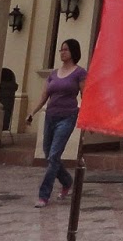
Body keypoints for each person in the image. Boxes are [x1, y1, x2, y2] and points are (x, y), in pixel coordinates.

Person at [24, 39, 86, 208]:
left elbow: (85, 95)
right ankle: (67, 181)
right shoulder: (53, 74)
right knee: (48, 154)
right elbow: (44, 96)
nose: (62, 52)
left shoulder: (79, 73)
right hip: (51, 116)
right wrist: (32, 113)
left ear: (73, 51)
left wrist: (86, 118)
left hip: (68, 117)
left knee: (53, 156)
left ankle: (43, 195)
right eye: (60, 50)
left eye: (65, 50)